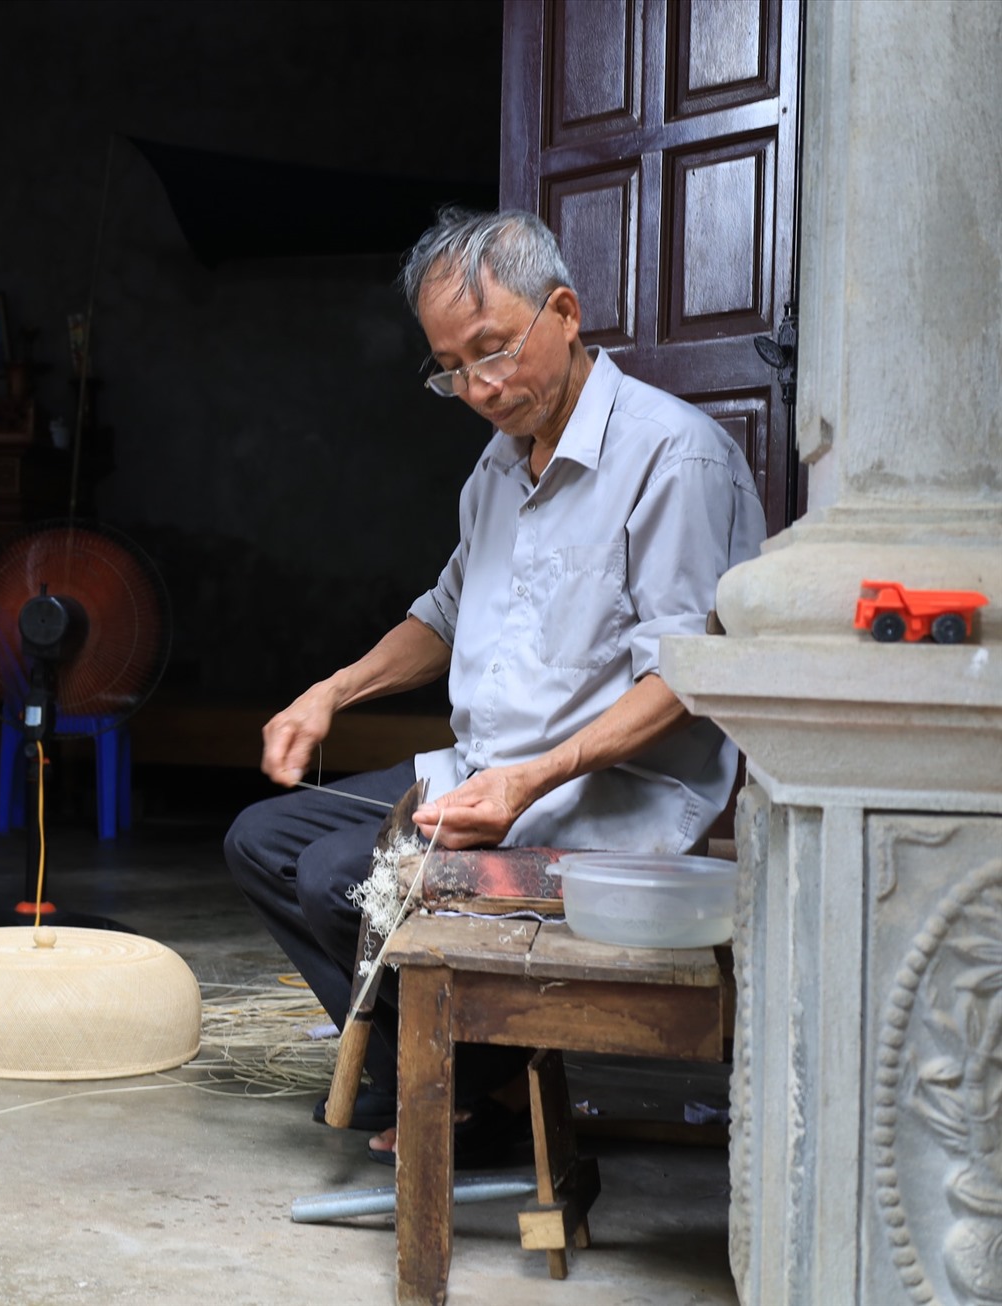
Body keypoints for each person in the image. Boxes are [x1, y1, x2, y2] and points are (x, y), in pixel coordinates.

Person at [225, 208, 765, 1165]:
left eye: (494, 352)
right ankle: (464, 1077)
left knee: (341, 876)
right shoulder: (497, 465)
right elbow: (442, 612)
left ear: (564, 311)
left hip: (600, 800)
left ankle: (458, 1092)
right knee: (265, 842)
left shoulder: (672, 458)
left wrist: (530, 781)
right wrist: (330, 693)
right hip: (488, 775)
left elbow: (685, 678)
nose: (480, 388)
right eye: (452, 370)